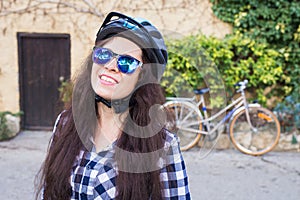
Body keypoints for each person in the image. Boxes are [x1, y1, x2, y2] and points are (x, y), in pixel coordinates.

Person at [36, 12, 190, 200]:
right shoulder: (66, 123)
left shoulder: (163, 145)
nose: (111, 65)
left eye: (127, 62)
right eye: (104, 54)